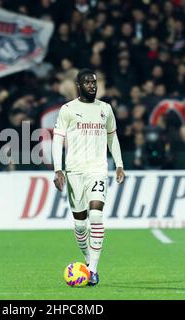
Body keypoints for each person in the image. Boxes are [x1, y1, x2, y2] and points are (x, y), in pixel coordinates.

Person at [52, 69, 125, 286]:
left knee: (96, 215)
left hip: (97, 170)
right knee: (80, 225)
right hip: (74, 171)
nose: (93, 86)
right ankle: (87, 259)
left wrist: (119, 164)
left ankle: (92, 270)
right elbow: (57, 141)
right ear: (78, 85)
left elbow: (112, 138)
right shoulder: (68, 110)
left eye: (94, 82)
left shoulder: (105, 109)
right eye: (88, 82)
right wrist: (58, 169)